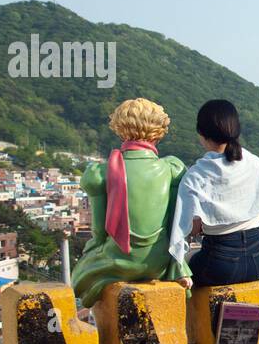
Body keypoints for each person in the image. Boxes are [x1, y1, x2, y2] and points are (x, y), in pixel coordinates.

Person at [72, 98, 190, 308]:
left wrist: (92, 249)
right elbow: (175, 225)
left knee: (79, 275)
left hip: (118, 262)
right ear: (159, 129)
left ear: (119, 127)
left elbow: (99, 233)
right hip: (159, 263)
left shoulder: (102, 172)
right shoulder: (172, 169)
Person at [168, 100, 259, 288]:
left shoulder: (196, 175)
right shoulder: (254, 162)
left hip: (219, 264)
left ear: (201, 134)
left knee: (187, 269)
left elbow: (186, 229)